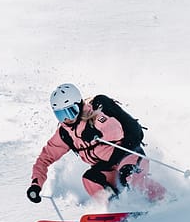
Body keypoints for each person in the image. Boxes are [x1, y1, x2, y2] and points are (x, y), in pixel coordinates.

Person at [27, 83, 166, 205]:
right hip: (107, 167)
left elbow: (116, 130)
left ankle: (164, 199)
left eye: (70, 112)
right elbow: (45, 158)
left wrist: (96, 132)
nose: (67, 119)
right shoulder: (64, 133)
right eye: (61, 115)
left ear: (79, 105)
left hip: (128, 155)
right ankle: (115, 207)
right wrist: (36, 184)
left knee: (131, 176)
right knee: (90, 179)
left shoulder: (95, 113)